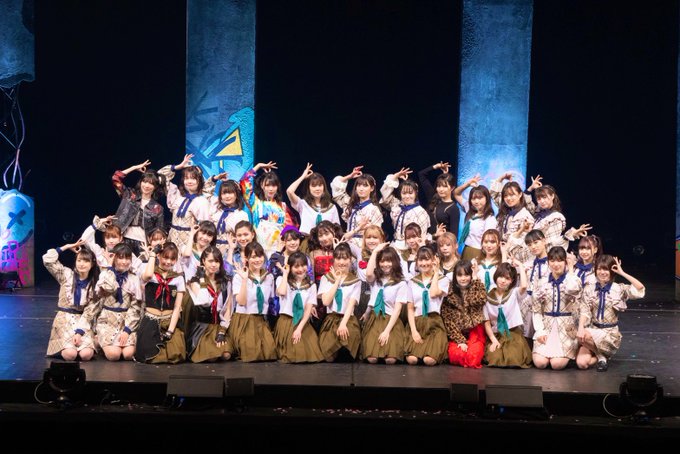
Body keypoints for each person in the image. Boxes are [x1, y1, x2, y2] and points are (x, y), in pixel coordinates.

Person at [576, 255, 644, 371]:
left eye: (606, 269)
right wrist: (581, 327)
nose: (602, 272)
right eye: (599, 269)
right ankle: (602, 357)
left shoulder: (618, 289)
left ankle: (602, 354)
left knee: (585, 335)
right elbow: (584, 310)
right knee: (582, 363)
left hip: (609, 334)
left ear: (611, 271)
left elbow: (640, 288)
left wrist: (622, 273)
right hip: (593, 330)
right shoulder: (589, 289)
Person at [76, 243, 143, 361]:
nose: (124, 262)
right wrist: (110, 267)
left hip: (125, 321)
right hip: (107, 321)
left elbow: (135, 307)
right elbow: (106, 292)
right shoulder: (105, 275)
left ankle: (104, 342)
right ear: (114, 257)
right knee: (114, 355)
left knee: (128, 354)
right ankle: (98, 340)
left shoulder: (133, 279)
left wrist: (127, 330)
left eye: (127, 258)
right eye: (120, 258)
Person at [43, 239, 99, 361]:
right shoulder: (66, 275)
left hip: (83, 320)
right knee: (70, 355)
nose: (82, 264)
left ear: (92, 264)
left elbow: (89, 312)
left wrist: (79, 332)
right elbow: (47, 260)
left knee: (86, 355)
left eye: (86, 261)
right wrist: (67, 246)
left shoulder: (94, 285)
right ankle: (64, 348)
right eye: (79, 260)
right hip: (64, 320)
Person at [134, 242, 186, 364]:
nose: (168, 262)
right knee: (152, 357)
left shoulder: (178, 278)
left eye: (172, 259)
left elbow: (177, 307)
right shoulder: (151, 273)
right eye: (165, 257)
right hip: (151, 320)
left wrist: (170, 331)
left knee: (175, 355)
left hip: (169, 321)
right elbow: (147, 275)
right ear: (159, 256)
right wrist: (153, 254)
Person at [531, 246, 582, 370]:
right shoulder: (542, 282)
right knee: (540, 363)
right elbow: (536, 309)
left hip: (566, 327)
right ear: (548, 262)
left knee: (557, 365)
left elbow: (571, 289)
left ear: (565, 262)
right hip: (547, 326)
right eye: (552, 260)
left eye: (559, 260)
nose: (556, 264)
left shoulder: (573, 279)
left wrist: (571, 269)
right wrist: (540, 331)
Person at [361, 243, 409, 364]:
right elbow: (368, 274)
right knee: (372, 358)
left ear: (395, 262)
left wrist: (386, 331)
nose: (385, 264)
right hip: (375, 318)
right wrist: (375, 251)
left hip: (391, 320)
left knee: (390, 359)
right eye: (382, 261)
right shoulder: (376, 279)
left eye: (389, 261)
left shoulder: (401, 283)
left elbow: (397, 310)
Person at [229, 242, 277, 362]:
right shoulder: (239, 277)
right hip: (245, 319)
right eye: (253, 257)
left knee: (269, 353)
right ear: (246, 258)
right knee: (252, 354)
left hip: (261, 320)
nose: (257, 260)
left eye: (260, 256)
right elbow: (241, 302)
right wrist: (245, 280)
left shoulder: (269, 277)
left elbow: (270, 300)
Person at [186, 246, 234, 363]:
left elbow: (228, 308)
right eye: (210, 261)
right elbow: (204, 301)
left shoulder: (226, 281)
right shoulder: (195, 281)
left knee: (226, 355)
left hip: (219, 326)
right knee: (212, 357)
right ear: (203, 261)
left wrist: (222, 331)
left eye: (217, 261)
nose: (214, 265)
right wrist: (202, 278)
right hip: (202, 327)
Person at [274, 252, 324, 363]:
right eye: (296, 266)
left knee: (308, 354)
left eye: (303, 265)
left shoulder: (311, 285)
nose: (300, 269)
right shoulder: (282, 280)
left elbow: (308, 310)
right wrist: (285, 274)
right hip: (286, 322)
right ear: (290, 267)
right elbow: (281, 292)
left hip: (302, 322)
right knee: (293, 354)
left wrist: (299, 329)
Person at [405, 246, 450, 366]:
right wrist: (414, 331)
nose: (424, 263)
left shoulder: (443, 280)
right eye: (421, 260)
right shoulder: (412, 282)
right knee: (412, 360)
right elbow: (410, 308)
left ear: (434, 260)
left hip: (434, 323)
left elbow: (433, 293)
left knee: (428, 360)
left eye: (427, 259)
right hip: (417, 322)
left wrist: (436, 272)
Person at [318, 243, 362, 362]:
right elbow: (326, 302)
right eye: (338, 258)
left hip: (348, 320)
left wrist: (343, 324)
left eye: (345, 258)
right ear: (333, 259)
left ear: (350, 259)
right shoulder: (326, 278)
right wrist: (336, 281)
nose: (341, 262)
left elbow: (351, 305)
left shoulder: (356, 281)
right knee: (328, 357)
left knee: (347, 354)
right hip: (331, 320)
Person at [111, 159, 165, 255]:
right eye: (144, 181)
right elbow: (115, 178)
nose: (146, 185)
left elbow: (159, 233)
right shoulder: (130, 195)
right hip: (123, 239)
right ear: (140, 182)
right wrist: (134, 167)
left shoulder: (158, 208)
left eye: (151, 183)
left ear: (155, 186)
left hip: (143, 244)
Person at [483, 261, 532, 368]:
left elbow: (524, 286)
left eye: (507, 278)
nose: (503, 281)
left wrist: (520, 265)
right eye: (501, 277)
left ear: (512, 281)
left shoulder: (514, 293)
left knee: (513, 358)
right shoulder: (487, 297)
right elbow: (486, 322)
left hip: (512, 333)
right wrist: (493, 340)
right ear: (496, 276)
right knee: (495, 358)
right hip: (496, 334)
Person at [158, 153, 210, 252]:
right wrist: (179, 166)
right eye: (186, 178)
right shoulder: (177, 195)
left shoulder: (201, 201)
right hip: (172, 241)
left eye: (193, 178)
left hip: (190, 244)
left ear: (199, 181)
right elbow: (160, 176)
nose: (189, 181)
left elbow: (205, 228)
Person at [441, 260, 488, 368]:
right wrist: (460, 341)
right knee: (457, 354)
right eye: (460, 275)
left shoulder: (477, 286)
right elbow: (448, 320)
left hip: (474, 332)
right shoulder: (449, 293)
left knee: (473, 357)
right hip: (457, 334)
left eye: (466, 275)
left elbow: (479, 299)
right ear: (455, 276)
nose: (463, 278)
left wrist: (475, 277)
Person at [240, 161, 292, 257]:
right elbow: (244, 180)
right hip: (259, 250)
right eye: (267, 185)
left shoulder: (282, 206)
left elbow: (290, 229)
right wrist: (258, 166)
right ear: (262, 185)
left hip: (278, 249)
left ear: (277, 187)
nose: (271, 189)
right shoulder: (256, 203)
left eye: (273, 185)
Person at [490, 173, 539, 263]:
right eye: (506, 196)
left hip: (516, 259)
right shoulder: (505, 210)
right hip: (500, 255)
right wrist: (502, 177)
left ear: (520, 194)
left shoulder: (526, 216)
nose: (509, 198)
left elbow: (525, 243)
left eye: (512, 195)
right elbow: (494, 194)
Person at [331, 165, 384, 246]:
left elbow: (377, 234)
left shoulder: (373, 209)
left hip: (364, 246)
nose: (361, 189)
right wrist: (349, 176)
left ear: (372, 188)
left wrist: (367, 227)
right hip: (347, 244)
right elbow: (336, 190)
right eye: (359, 185)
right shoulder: (350, 204)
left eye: (365, 186)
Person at [379, 167, 430, 251]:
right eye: (404, 193)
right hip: (395, 245)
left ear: (416, 193)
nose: (407, 196)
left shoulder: (421, 212)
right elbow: (385, 194)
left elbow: (422, 236)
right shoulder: (397, 205)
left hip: (411, 247)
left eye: (410, 193)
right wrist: (395, 177)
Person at [286, 163, 340, 235]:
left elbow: (337, 229)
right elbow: (289, 191)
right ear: (309, 188)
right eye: (314, 186)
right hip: (307, 240)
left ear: (324, 187)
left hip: (325, 240)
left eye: (320, 185)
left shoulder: (332, 207)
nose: (317, 188)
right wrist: (303, 177)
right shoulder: (303, 204)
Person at [453, 177, 498, 261]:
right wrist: (468, 184)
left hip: (479, 252)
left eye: (480, 198)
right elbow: (456, 193)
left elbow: (489, 241)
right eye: (473, 198)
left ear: (487, 198)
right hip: (466, 249)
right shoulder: (470, 209)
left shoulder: (489, 219)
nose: (476, 201)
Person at [205, 177, 250, 257]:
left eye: (230, 193)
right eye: (224, 193)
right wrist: (214, 179)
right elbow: (206, 192)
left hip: (231, 252)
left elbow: (244, 237)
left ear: (236, 194)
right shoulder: (216, 207)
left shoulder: (241, 215)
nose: (227, 196)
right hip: (211, 249)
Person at [417, 161, 460, 237]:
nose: (441, 189)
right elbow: (421, 174)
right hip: (427, 241)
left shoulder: (453, 208)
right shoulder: (433, 197)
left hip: (442, 243)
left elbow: (454, 236)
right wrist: (436, 166)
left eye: (445, 186)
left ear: (452, 188)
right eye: (439, 186)